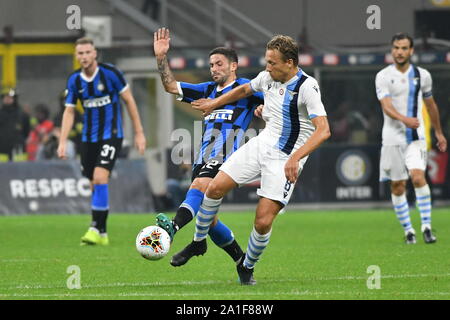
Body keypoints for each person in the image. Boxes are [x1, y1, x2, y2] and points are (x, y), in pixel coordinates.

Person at [181, 35, 330, 285]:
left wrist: (296, 157)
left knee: (262, 222)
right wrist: (214, 102)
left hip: (286, 157)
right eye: (266, 61)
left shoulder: (307, 86)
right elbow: (244, 89)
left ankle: (246, 266)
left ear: (290, 63)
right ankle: (197, 243)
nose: (267, 67)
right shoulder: (267, 78)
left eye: (272, 63)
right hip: (261, 143)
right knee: (214, 187)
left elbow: (324, 130)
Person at [153, 27, 264, 267]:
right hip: (202, 158)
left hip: (226, 157)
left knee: (199, 186)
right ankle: (241, 261)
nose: (213, 68)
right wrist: (161, 58)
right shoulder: (206, 90)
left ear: (233, 66)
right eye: (211, 64)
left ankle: (172, 227)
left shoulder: (246, 88)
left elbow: (275, 103)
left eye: (219, 64)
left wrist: (263, 110)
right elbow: (171, 86)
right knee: (209, 219)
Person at [58, 37, 146, 246]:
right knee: (93, 183)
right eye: (80, 53)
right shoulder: (74, 81)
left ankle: (94, 228)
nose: (84, 57)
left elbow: (129, 101)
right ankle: (103, 233)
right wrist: (63, 141)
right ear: (76, 56)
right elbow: (69, 112)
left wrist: (139, 132)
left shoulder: (111, 74)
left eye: (88, 52)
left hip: (112, 135)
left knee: (100, 177)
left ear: (95, 53)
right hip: (88, 139)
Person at [375, 33, 447, 244]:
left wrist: (439, 132)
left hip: (416, 137)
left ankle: (426, 227)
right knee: (398, 186)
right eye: (396, 47)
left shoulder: (422, 75)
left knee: (418, 178)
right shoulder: (383, 76)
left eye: (404, 48)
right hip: (391, 139)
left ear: (411, 51)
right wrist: (404, 119)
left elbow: (431, 105)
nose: (399, 52)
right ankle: (409, 230)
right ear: (392, 50)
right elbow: (386, 106)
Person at [0, 88, 30, 161]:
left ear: (14, 99)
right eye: (5, 97)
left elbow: (26, 132)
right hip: (1, 151)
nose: (7, 99)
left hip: (18, 151)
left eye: (10, 97)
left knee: (20, 171)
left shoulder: (22, 115)